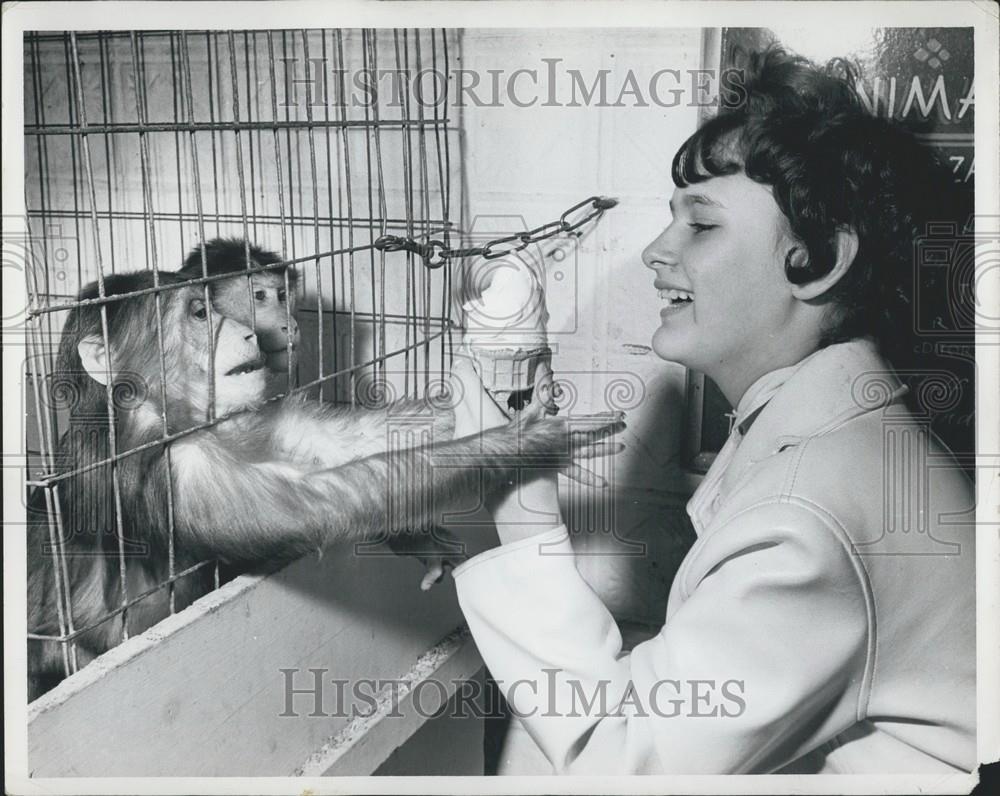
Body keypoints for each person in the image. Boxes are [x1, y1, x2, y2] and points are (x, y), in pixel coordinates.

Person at [446, 48, 976, 774]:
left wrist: (519, 502)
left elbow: (615, 763)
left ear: (818, 259)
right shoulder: (838, 437)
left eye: (702, 224)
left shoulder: (807, 521)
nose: (655, 253)